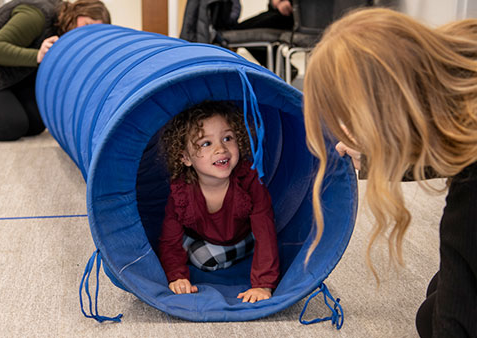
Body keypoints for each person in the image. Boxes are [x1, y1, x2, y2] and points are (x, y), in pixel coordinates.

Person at [302, 8, 476, 337]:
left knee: (432, 315)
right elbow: (445, 144)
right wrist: (374, 160)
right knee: (438, 290)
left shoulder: (470, 189)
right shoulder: (459, 70)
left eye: (351, 120)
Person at [0, 0, 111, 141]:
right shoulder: (37, 16)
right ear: (78, 12)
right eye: (86, 24)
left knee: (36, 123)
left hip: (0, 72)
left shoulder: (62, 29)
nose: (85, 33)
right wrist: (37, 56)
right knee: (11, 126)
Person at [158, 101, 280, 303]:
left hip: (243, 237)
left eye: (227, 138)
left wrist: (262, 285)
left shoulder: (249, 180)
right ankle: (195, 249)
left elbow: (264, 228)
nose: (221, 149)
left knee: (266, 238)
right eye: (206, 143)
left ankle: (217, 252)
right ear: (186, 157)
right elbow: (169, 239)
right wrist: (177, 276)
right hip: (204, 238)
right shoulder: (181, 192)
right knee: (188, 251)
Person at [233, 0, 293, 69]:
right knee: (239, 30)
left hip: (295, 16)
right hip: (277, 11)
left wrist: (290, 3)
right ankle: (283, 68)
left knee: (241, 32)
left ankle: (283, 68)